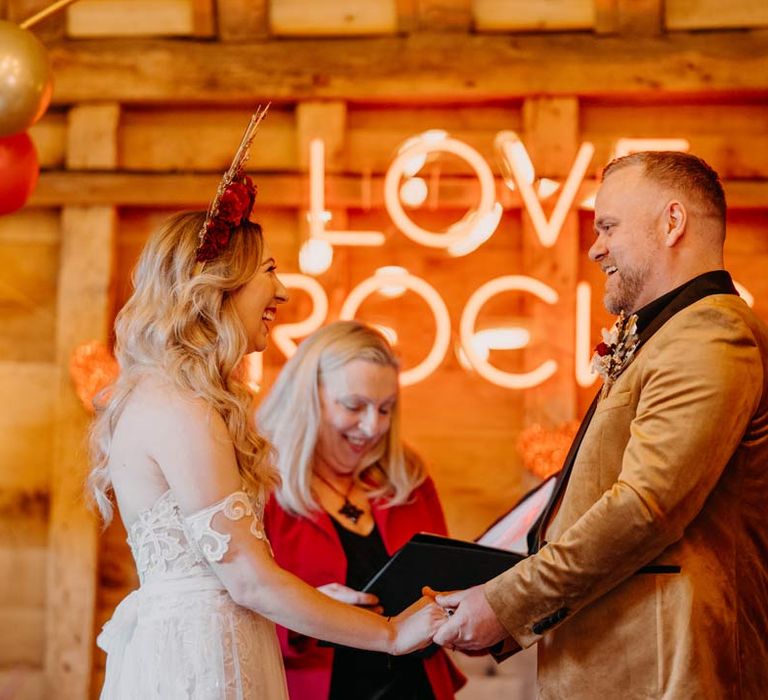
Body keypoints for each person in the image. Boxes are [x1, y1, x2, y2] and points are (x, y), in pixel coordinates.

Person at [88, 113, 446, 699]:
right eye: (270, 270)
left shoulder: (171, 396)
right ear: (220, 285)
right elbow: (251, 580)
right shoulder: (181, 406)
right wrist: (388, 633)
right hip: (202, 663)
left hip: (210, 645)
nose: (281, 291)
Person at [433, 151, 768, 698]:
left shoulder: (711, 335)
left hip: (665, 670)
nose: (594, 247)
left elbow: (644, 508)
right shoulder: (671, 334)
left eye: (608, 226)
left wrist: (507, 601)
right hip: (614, 662)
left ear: (673, 221)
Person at [258, 320, 466, 700]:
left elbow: (444, 586)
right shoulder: (260, 487)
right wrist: (310, 615)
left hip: (414, 688)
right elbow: (234, 615)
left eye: (385, 409)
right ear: (307, 398)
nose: (372, 427)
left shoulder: (409, 479)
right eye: (354, 406)